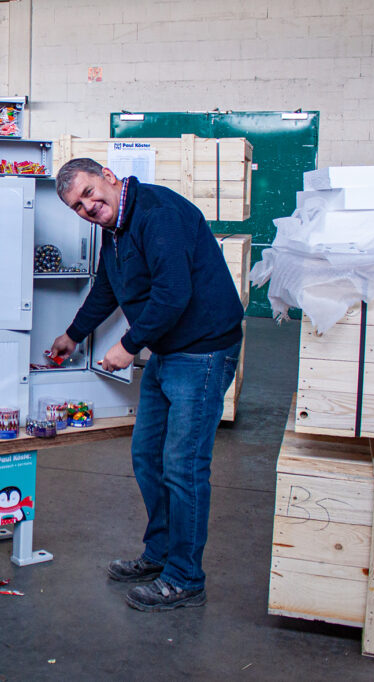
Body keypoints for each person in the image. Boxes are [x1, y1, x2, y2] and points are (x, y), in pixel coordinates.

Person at [49, 158, 244, 612]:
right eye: (78, 206)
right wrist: (73, 335)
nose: (88, 207)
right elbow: (109, 287)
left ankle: (185, 578)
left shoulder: (158, 215)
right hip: (170, 348)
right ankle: (159, 555)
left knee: (184, 465)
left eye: (90, 194)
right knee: (148, 456)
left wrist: (129, 345)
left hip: (204, 350)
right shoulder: (114, 228)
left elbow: (173, 292)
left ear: (110, 178)